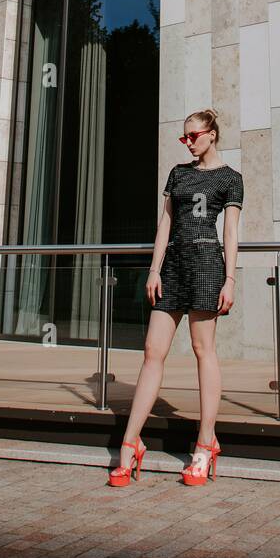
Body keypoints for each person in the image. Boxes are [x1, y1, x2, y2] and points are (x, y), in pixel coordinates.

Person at [108, 108, 243, 487]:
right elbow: (164, 223)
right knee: (153, 351)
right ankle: (130, 443)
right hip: (173, 269)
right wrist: (153, 269)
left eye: (193, 136)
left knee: (204, 351)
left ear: (212, 134)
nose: (188, 142)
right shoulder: (178, 173)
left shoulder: (231, 179)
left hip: (207, 267)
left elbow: (230, 233)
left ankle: (205, 445)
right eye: (183, 137)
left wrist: (230, 279)